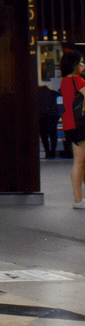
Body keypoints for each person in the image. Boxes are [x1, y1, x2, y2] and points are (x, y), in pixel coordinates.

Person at [64, 49, 85, 209]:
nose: (83, 65)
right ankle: (78, 200)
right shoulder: (77, 80)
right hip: (81, 124)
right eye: (81, 62)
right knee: (79, 162)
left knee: (79, 161)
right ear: (75, 65)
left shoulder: (65, 80)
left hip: (70, 124)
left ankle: (78, 199)